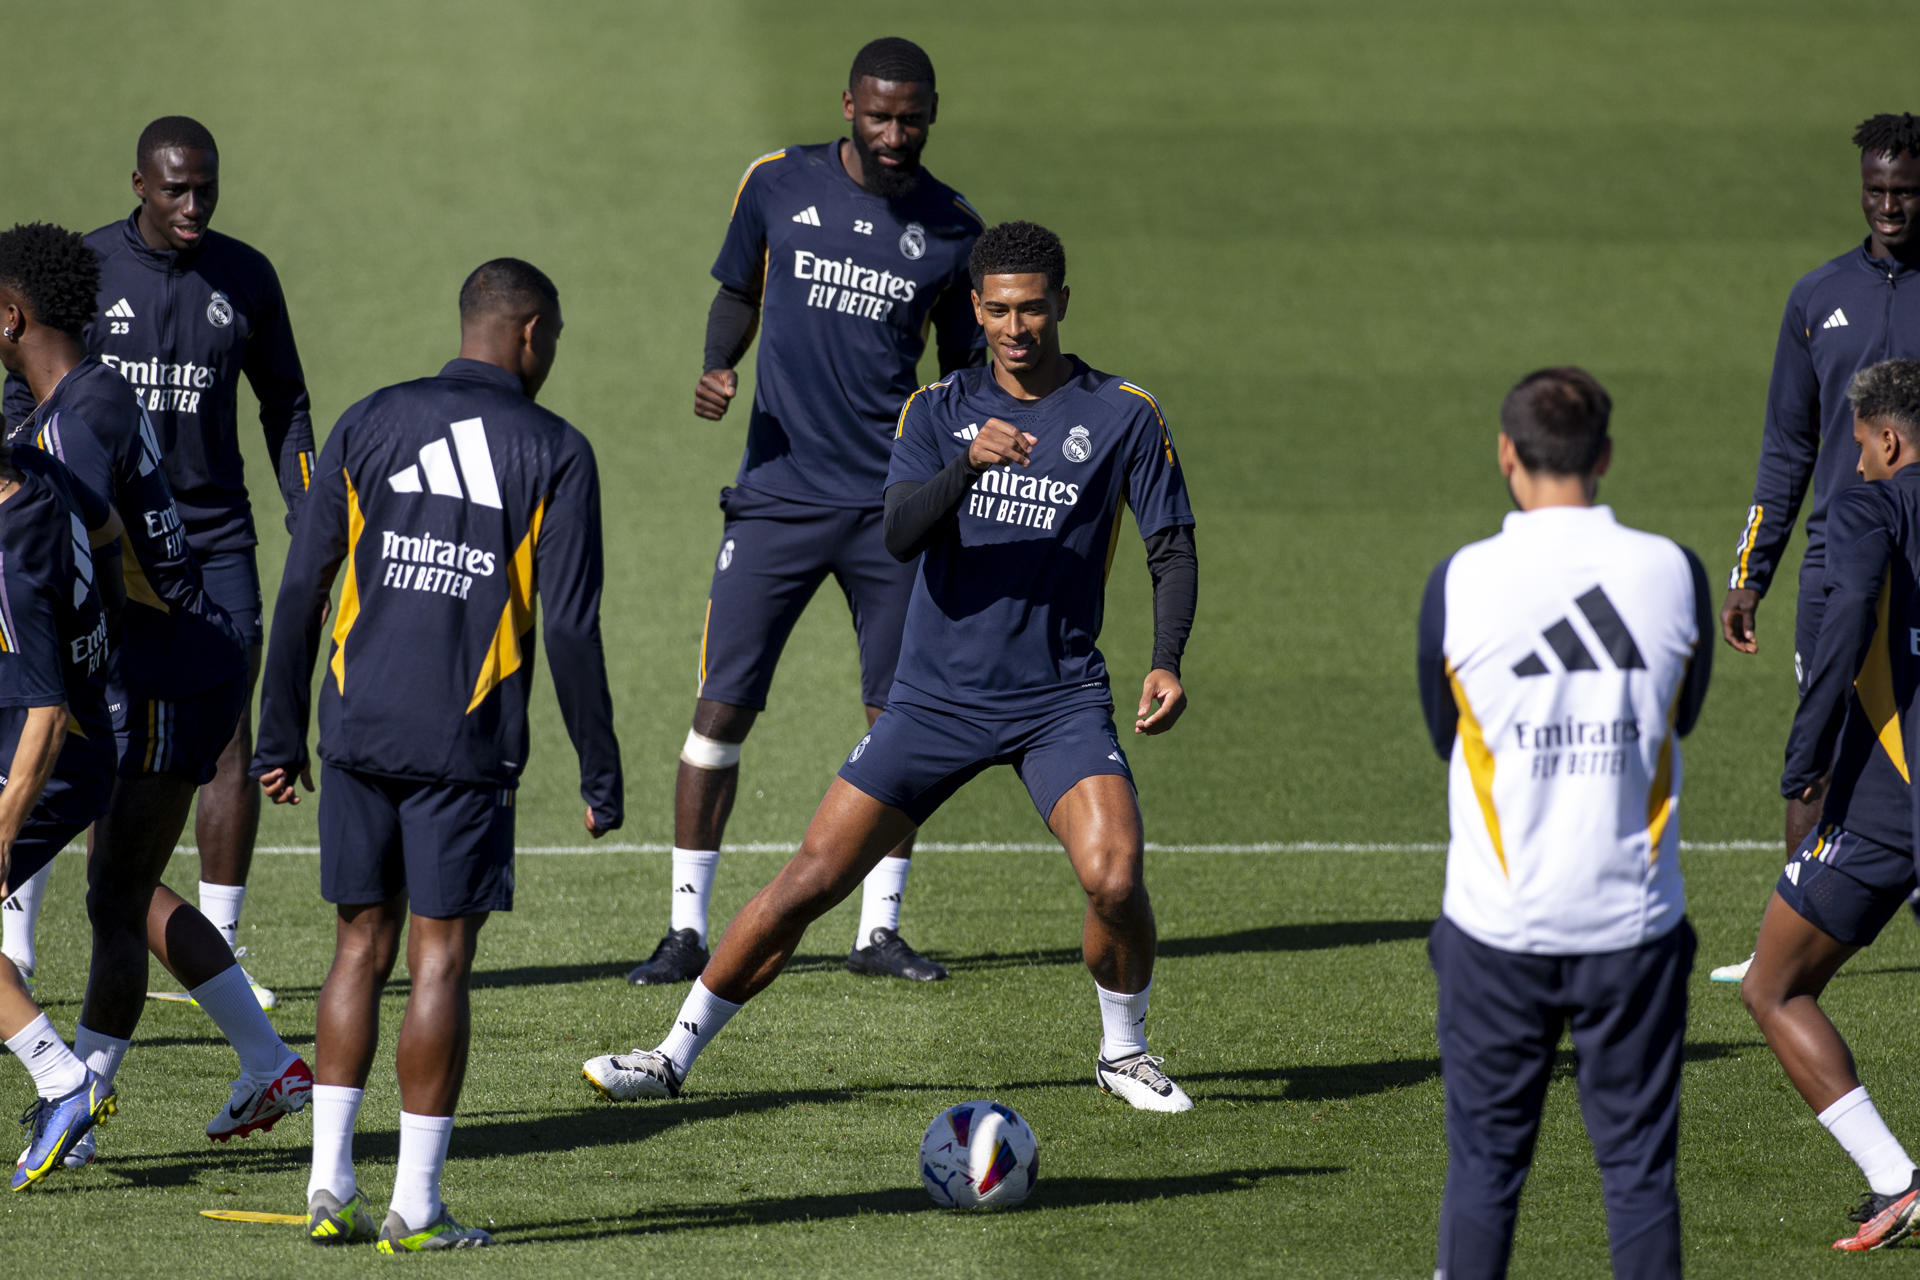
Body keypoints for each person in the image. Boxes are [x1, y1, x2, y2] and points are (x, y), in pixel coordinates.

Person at [586, 219, 1200, 1113]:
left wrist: (1167, 661)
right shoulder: (937, 411)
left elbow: (1172, 544)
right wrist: (968, 465)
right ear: (977, 311)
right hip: (935, 702)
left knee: (1114, 875)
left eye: (1033, 310)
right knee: (809, 882)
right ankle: (670, 1055)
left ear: (1062, 305)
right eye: (998, 311)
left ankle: (1123, 1051)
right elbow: (901, 530)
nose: (1017, 329)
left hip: (1057, 701)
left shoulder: (1122, 414)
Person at [253, 259, 622, 1251]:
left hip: (356, 726)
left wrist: (280, 732)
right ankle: (415, 1202)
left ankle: (328, 1184)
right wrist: (600, 766)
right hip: (463, 742)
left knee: (356, 946)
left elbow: (302, 587)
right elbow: (574, 627)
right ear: (533, 333)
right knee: (439, 960)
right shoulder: (557, 449)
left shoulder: (370, 418)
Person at [623, 36, 986, 987]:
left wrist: (958, 469)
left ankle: (879, 931)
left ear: (932, 114)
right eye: (879, 114)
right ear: (847, 107)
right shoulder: (778, 183)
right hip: (777, 497)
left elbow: (962, 374)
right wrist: (720, 364)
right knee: (719, 711)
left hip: (890, 510)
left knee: (901, 716)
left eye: (912, 117)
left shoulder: (954, 229)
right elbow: (737, 290)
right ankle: (685, 930)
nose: (895, 132)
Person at [0, 221, 311, 1167]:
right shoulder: (90, 392)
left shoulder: (71, 424)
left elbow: (81, 542)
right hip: (175, 661)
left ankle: (78, 1099)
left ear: (11, 317)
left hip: (164, 675)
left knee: (115, 893)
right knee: (119, 893)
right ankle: (262, 1064)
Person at [1417, 367, 1711, 1279]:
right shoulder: (1672, 571)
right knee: (1637, 1175)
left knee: (1485, 1174)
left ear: (1507, 454)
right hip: (1636, 928)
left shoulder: (1461, 580)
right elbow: (1682, 715)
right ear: (1606, 458)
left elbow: (1444, 734)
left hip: (1496, 931)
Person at [1714, 112, 1920, 985]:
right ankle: (1781, 944)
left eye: (1904, 191)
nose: (1888, 206)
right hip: (1837, 563)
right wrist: (1750, 574)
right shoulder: (1816, 297)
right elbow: (1786, 448)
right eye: (1875, 191)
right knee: (1827, 733)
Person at [1738, 359, 1920, 1252]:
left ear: (1887, 440)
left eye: (1859, 448)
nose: (1854, 464)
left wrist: (1806, 761)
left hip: (1885, 803)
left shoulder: (1867, 505)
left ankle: (1897, 1181)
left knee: (1774, 985)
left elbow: (1848, 609)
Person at [0, 436, 120, 1188]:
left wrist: (3, 832)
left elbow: (45, 715)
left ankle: (62, 1083)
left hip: (52, 757)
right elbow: (108, 532)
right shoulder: (36, 467)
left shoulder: (11, 562)